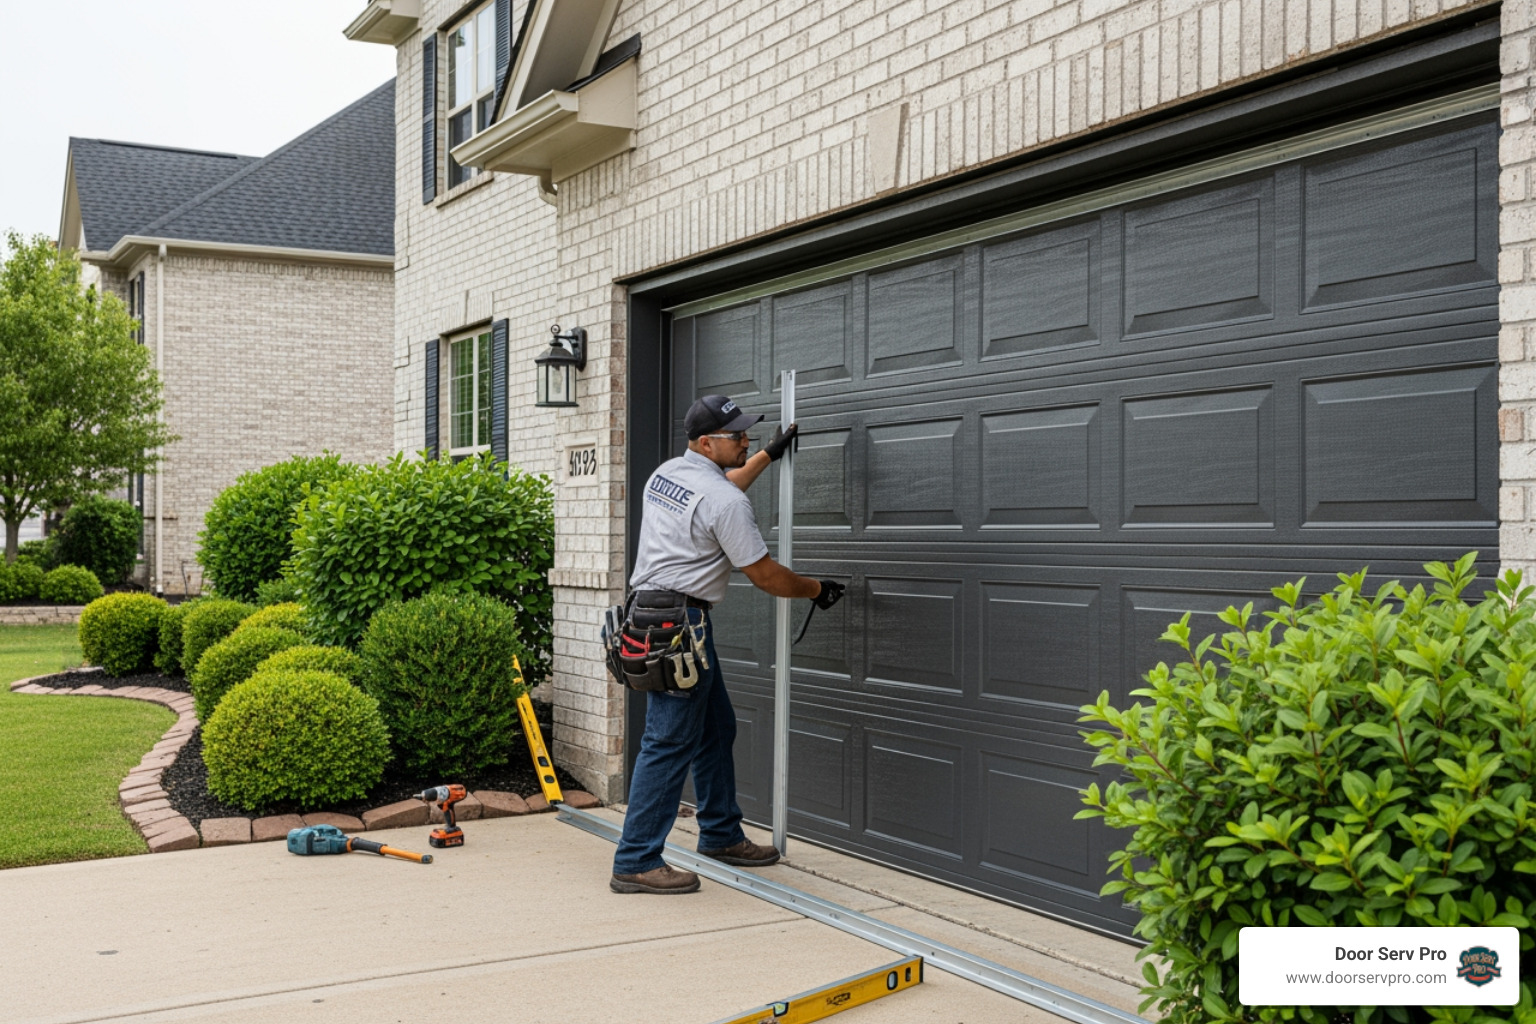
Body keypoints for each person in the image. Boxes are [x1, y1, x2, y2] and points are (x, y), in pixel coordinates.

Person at [610, 394, 844, 895]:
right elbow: (764, 575)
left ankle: (719, 833)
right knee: (667, 742)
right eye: (737, 435)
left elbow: (717, 492)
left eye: (747, 433)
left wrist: (767, 456)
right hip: (679, 628)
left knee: (715, 730)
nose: (746, 440)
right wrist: (816, 589)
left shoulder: (668, 473)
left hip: (655, 615)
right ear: (705, 441)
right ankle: (635, 860)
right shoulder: (725, 500)